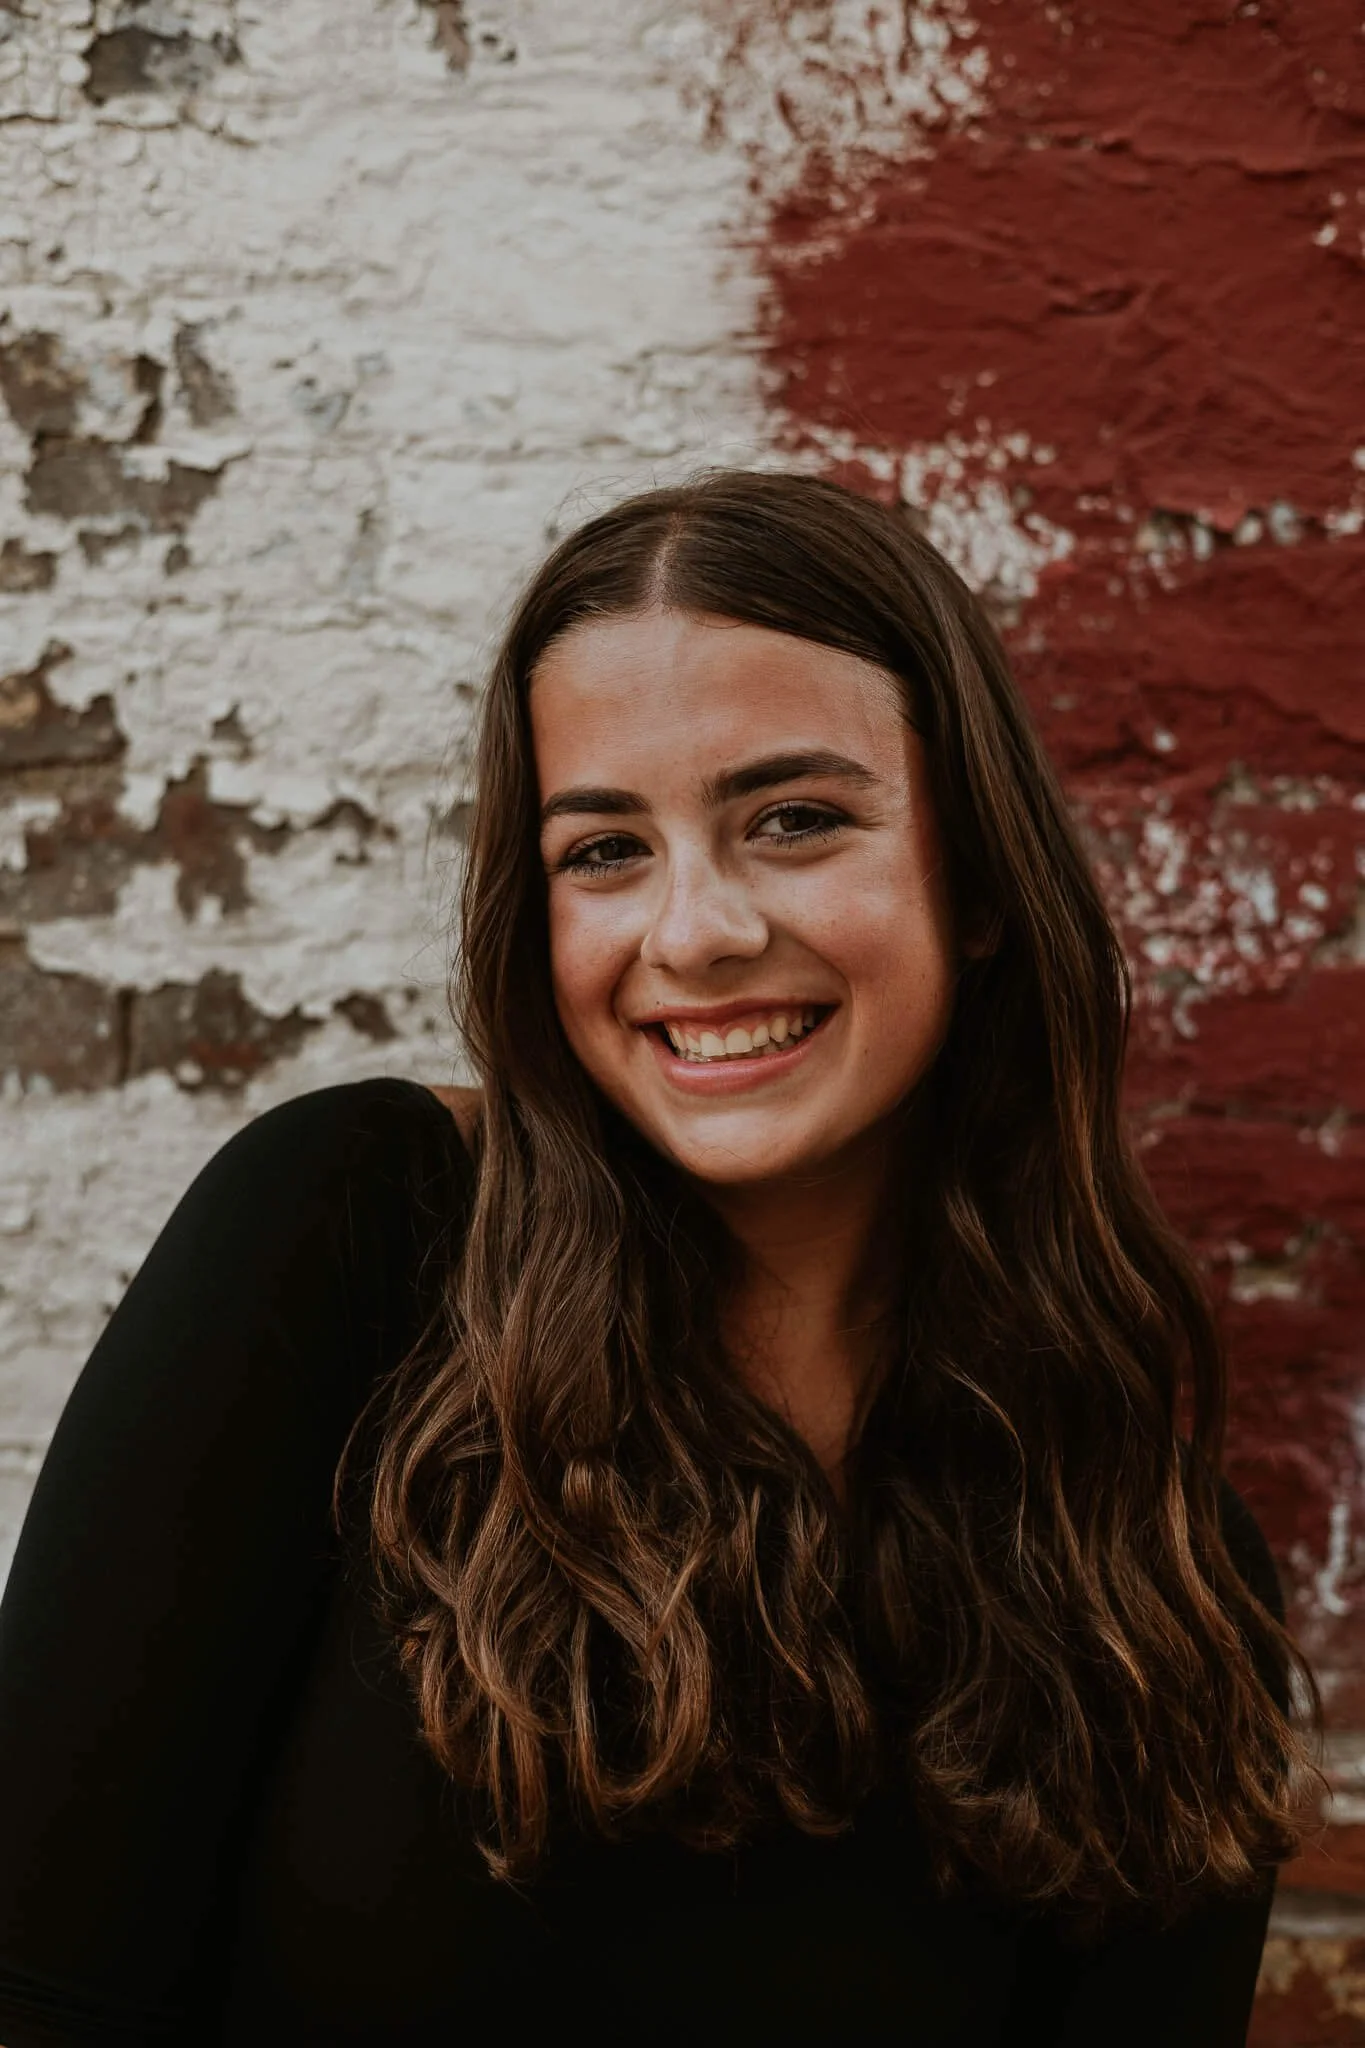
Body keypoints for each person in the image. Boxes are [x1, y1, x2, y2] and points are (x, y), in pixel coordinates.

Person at [0, 470, 1324, 2046]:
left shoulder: (1154, 1578)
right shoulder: (350, 1236)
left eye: (795, 820)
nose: (692, 932)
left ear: (976, 881)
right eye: (604, 852)